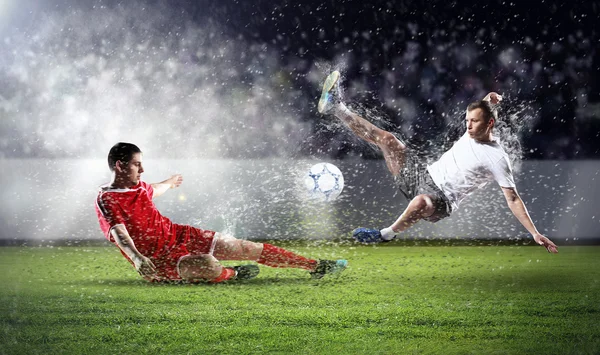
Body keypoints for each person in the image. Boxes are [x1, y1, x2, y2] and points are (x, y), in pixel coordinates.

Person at [317, 70, 558, 253]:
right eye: (467, 120)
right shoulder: (473, 128)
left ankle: (385, 235)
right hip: (423, 177)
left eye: (474, 122)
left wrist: (534, 233)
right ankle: (336, 107)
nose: (468, 125)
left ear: (489, 124)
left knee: (422, 201)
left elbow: (513, 198)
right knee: (388, 139)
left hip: (443, 201)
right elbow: (482, 109)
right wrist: (489, 99)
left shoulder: (497, 157)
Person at [95, 142, 348, 283]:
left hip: (179, 235)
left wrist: (170, 183)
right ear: (120, 165)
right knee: (208, 264)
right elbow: (120, 234)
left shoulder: (139, 186)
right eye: (137, 164)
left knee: (242, 246)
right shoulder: (106, 199)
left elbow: (153, 189)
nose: (142, 169)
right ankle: (233, 273)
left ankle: (315, 266)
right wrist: (138, 258)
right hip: (157, 260)